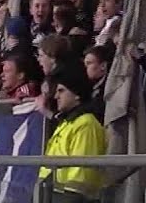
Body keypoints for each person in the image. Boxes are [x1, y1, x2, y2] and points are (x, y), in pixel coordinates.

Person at [38, 63, 107, 202]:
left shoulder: (86, 124)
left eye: (61, 91)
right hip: (52, 195)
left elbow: (80, 176)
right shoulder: (68, 122)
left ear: (77, 94)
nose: (56, 96)